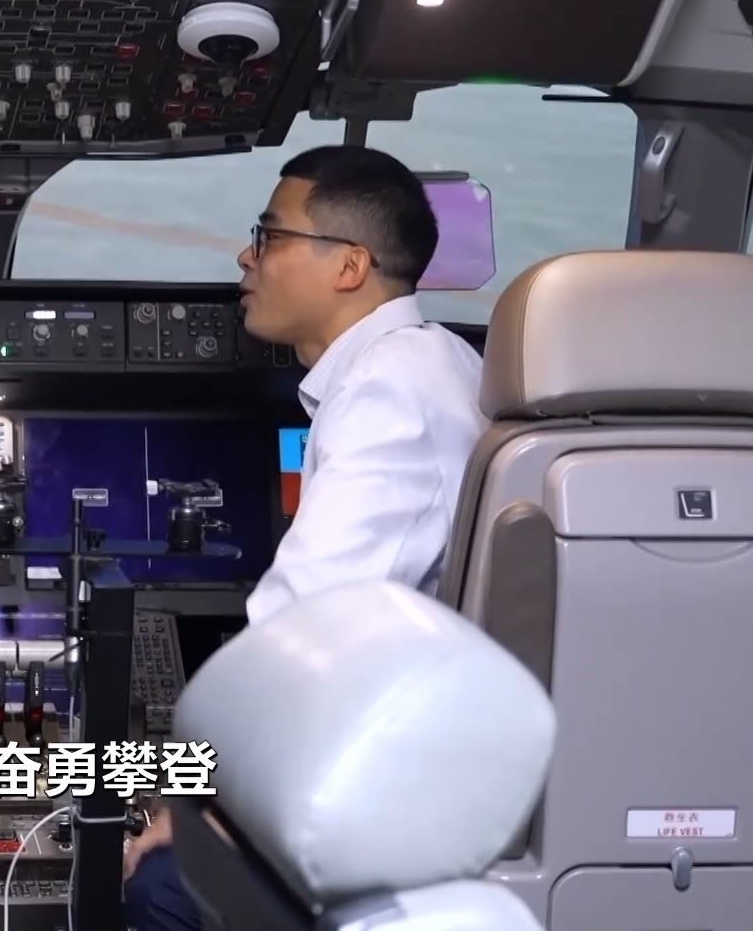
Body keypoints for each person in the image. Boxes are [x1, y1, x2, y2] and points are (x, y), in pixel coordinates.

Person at [121, 145, 489, 930]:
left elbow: (306, 626)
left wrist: (206, 815)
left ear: (349, 265)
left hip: (398, 789)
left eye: (270, 235)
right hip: (420, 753)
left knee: (163, 888)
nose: (246, 256)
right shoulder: (439, 361)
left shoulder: (391, 391)